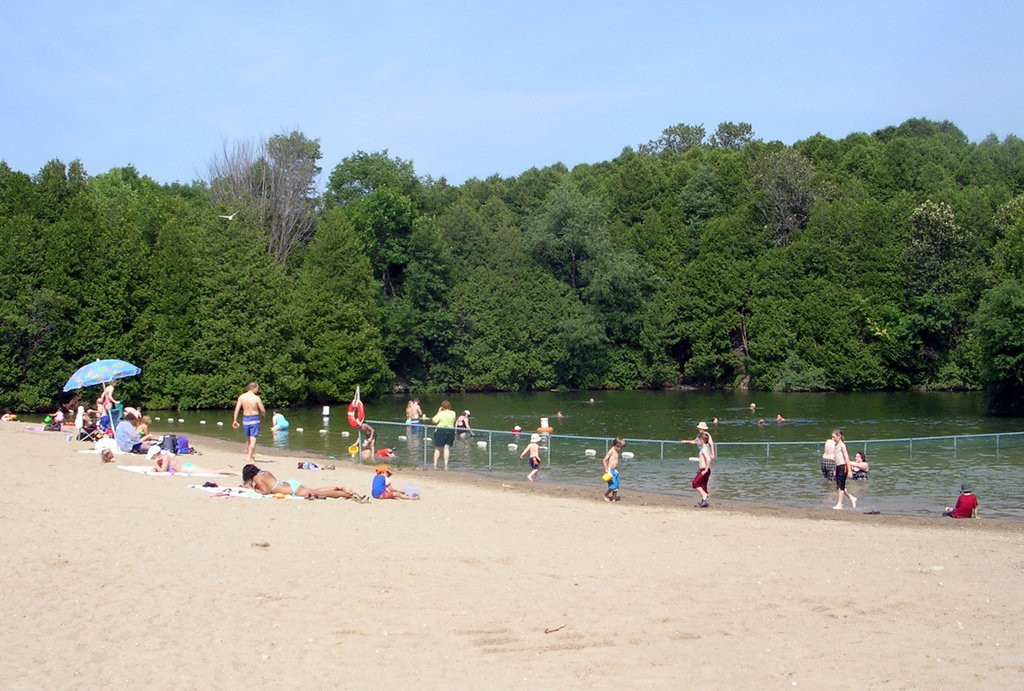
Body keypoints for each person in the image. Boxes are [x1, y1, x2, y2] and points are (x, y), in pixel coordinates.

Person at [242, 464, 366, 501]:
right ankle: (337, 487)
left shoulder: (256, 478)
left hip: (291, 490)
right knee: (314, 490)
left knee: (319, 494)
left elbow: (265, 491)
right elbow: (270, 484)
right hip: (290, 484)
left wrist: (254, 489)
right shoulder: (264, 472)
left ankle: (347, 495)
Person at [232, 382, 265, 464]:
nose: (258, 390)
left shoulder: (242, 397)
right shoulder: (256, 398)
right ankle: (249, 457)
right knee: (253, 439)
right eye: (257, 388)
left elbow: (237, 409)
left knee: (247, 439)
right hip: (254, 418)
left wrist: (235, 420)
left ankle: (250, 455)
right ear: (253, 388)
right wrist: (263, 415)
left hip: (245, 419)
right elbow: (263, 410)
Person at [147, 446, 235, 475]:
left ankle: (235, 472)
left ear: (156, 455)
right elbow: (162, 469)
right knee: (212, 470)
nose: (152, 459)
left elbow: (163, 470)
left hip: (189, 469)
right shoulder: (161, 459)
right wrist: (156, 468)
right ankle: (233, 472)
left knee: (213, 471)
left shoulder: (165, 457)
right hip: (186, 467)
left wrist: (156, 465)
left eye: (153, 457)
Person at [831, 428, 857, 510]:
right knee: (838, 486)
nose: (833, 439)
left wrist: (849, 470)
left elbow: (847, 457)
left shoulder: (842, 445)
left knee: (841, 486)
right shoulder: (836, 445)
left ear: (839, 436)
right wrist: (835, 469)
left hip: (843, 466)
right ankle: (851, 497)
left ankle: (840, 504)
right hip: (838, 466)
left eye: (834, 437)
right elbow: (836, 458)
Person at [431, 400, 457, 470]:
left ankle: (435, 464)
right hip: (450, 430)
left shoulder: (441, 413)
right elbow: (453, 420)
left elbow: (434, 420)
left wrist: (438, 412)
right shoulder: (453, 413)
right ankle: (446, 464)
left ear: (442, 407)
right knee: (447, 447)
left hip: (441, 430)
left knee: (437, 448)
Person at [692, 429, 714, 508]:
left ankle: (705, 496)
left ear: (702, 441)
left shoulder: (704, 450)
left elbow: (708, 459)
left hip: (705, 469)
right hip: (705, 469)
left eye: (699, 440)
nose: (698, 442)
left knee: (695, 483)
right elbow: (710, 458)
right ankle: (704, 501)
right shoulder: (706, 449)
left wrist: (705, 470)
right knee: (703, 485)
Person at [602, 438, 625, 502]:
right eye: (618, 446)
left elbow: (615, 461)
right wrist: (606, 469)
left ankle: (613, 497)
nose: (619, 448)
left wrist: (616, 469)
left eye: (621, 447)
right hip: (610, 470)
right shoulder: (611, 451)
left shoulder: (617, 451)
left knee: (617, 485)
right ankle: (606, 495)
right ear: (614, 445)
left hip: (615, 470)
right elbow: (605, 460)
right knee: (613, 485)